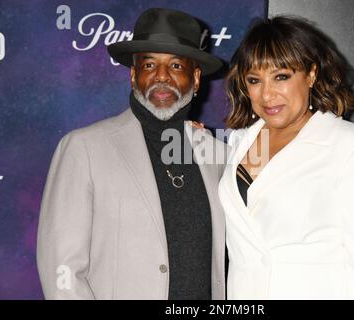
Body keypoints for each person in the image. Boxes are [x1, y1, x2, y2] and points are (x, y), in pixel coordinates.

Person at [37, 8, 228, 300]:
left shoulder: (218, 154)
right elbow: (61, 270)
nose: (161, 77)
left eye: (176, 66)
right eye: (149, 65)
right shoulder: (84, 149)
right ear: (134, 74)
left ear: (197, 78)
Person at [218, 16, 354, 299]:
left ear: (311, 75)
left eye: (281, 77)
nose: (267, 94)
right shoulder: (240, 141)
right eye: (254, 80)